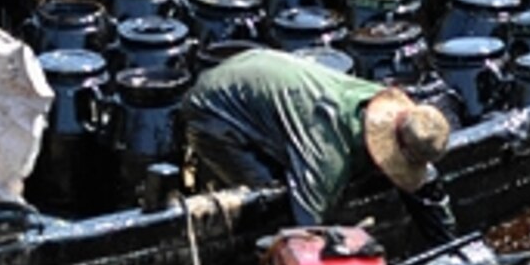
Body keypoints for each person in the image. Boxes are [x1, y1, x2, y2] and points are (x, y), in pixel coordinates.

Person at [181, 46, 457, 239]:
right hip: (213, 108)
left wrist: (448, 242)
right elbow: (304, 229)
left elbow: (426, 189)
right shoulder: (326, 155)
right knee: (272, 203)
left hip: (258, 70)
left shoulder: (377, 100)